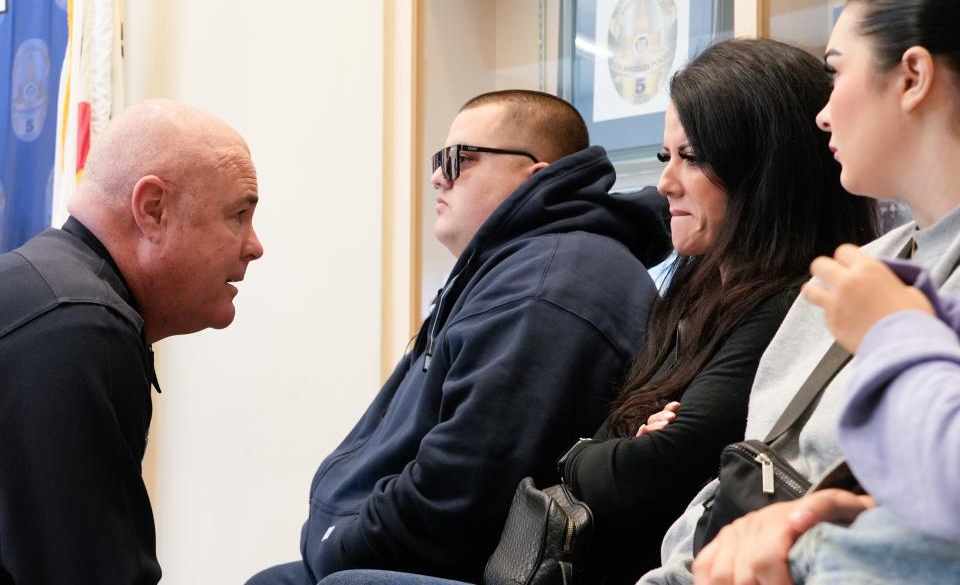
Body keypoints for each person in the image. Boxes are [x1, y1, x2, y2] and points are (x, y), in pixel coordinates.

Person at [312, 40, 879, 585]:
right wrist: (620, 446)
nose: (665, 182)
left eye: (691, 158)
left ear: (763, 169)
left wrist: (600, 452)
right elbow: (625, 443)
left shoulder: (789, 303)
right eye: (665, 156)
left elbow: (647, 470)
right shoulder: (696, 290)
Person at [247, 90, 672, 585]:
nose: (437, 176)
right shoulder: (513, 270)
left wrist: (338, 543)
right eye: (438, 160)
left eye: (458, 159)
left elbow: (459, 500)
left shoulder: (549, 285)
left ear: (535, 175)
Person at [647, 0, 960, 584]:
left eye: (837, 73)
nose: (824, 113)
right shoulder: (866, 264)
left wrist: (891, 333)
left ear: (912, 77)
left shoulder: (863, 293)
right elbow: (755, 469)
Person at [0, 99, 264, 584]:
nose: (255, 245)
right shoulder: (80, 329)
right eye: (238, 214)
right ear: (153, 210)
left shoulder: (51, 293)